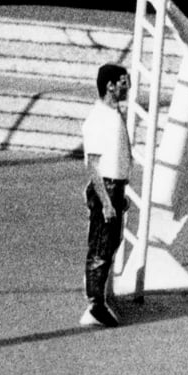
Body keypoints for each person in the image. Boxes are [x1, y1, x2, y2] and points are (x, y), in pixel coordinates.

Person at [79, 62, 132, 329]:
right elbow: (93, 165)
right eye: (123, 81)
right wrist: (107, 201)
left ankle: (98, 297)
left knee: (110, 243)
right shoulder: (99, 119)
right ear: (110, 86)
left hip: (115, 186)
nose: (127, 87)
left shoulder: (113, 115)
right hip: (106, 188)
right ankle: (95, 303)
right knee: (101, 247)